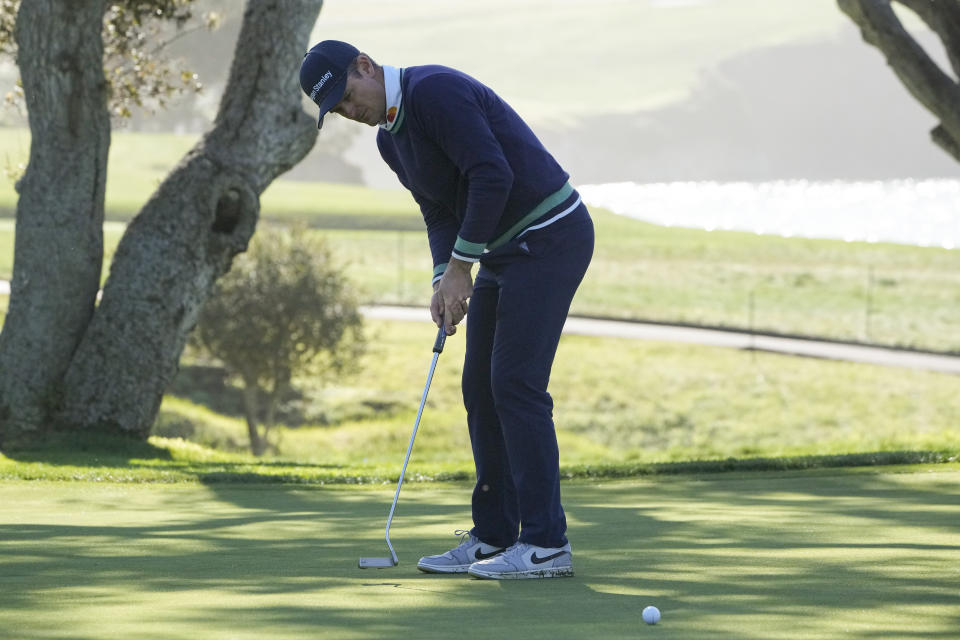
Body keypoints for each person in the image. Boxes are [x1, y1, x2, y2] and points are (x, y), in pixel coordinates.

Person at [300, 40, 594, 580]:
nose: (349, 111)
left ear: (364, 66)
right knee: (480, 389)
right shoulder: (392, 143)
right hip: (502, 251)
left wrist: (464, 266)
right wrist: (444, 276)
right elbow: (438, 210)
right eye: (338, 110)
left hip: (550, 235)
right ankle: (495, 537)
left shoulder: (434, 91)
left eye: (346, 96)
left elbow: (492, 175)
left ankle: (547, 544)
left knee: (515, 383)